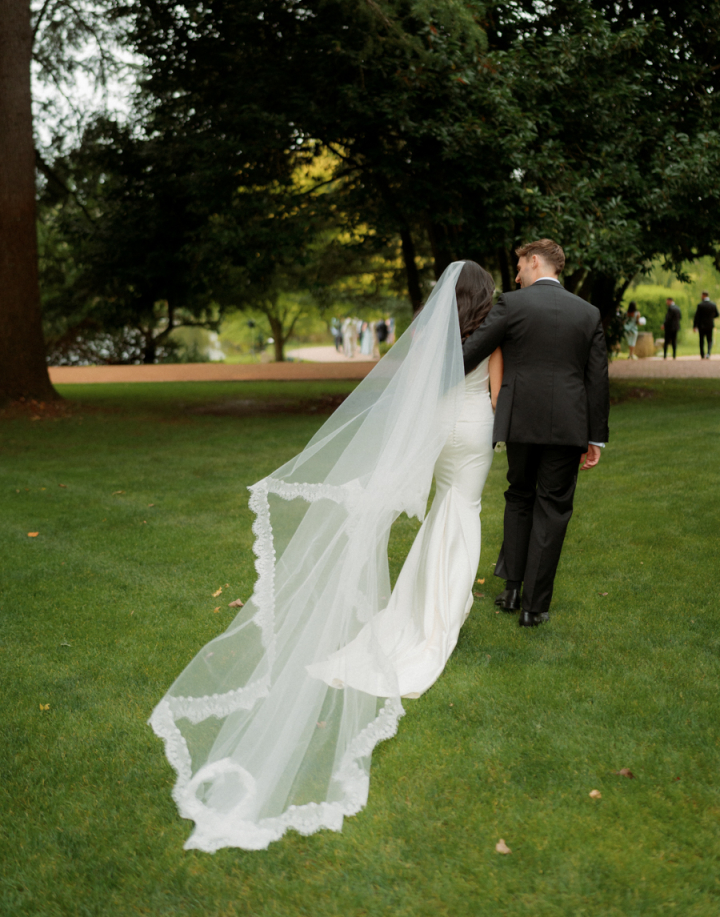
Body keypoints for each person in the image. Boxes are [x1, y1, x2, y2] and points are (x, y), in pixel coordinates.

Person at [150, 261, 502, 853]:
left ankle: (421, 610)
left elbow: (417, 384)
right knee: (462, 513)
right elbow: (496, 388)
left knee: (444, 513)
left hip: (438, 428)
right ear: (484, 297)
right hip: (472, 427)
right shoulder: (495, 331)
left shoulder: (435, 330)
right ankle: (439, 619)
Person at [462, 239, 609, 628]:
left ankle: (511, 589)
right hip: (569, 425)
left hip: (520, 420)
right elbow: (597, 380)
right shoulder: (589, 313)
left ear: (534, 261)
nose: (516, 276)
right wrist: (596, 437)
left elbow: (472, 353)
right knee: (553, 508)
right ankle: (533, 606)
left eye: (519, 268)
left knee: (519, 496)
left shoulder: (512, 304)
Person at [693, 291, 719, 359]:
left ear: (704, 295)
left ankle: (702, 354)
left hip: (701, 325)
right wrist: (711, 317)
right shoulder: (713, 305)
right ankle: (708, 353)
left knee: (701, 340)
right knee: (709, 340)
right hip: (710, 325)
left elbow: (697, 316)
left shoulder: (700, 305)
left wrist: (694, 326)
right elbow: (717, 314)